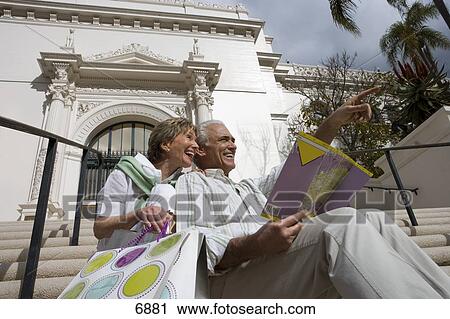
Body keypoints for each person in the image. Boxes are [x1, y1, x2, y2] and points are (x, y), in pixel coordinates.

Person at [173, 88, 450, 298]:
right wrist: (255, 244)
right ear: (200, 149)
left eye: (233, 139)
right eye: (224, 140)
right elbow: (194, 248)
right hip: (228, 280)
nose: (233, 145)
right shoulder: (190, 183)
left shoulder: (247, 186)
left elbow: (298, 166)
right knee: (341, 228)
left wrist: (333, 122)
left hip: (273, 262)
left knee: (372, 219)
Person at [93, 118, 198, 250]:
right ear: (166, 144)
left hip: (162, 257)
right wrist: (139, 214)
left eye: (196, 140)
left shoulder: (184, 182)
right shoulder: (125, 173)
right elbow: (100, 229)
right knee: (165, 190)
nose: (196, 145)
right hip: (119, 254)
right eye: (189, 137)